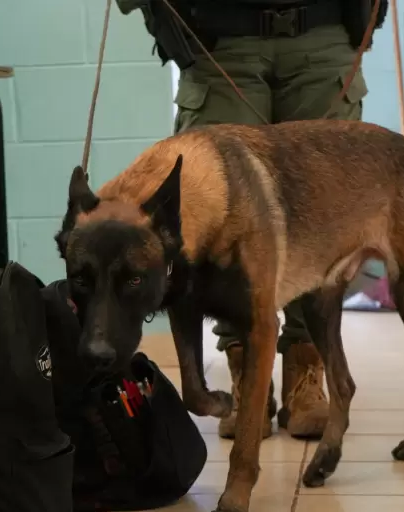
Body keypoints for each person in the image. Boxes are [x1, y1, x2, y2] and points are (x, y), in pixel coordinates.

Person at [115, 0, 386, 440]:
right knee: (223, 213)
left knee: (322, 211)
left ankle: (306, 370)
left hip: (324, 30)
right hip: (218, 38)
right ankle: (246, 375)